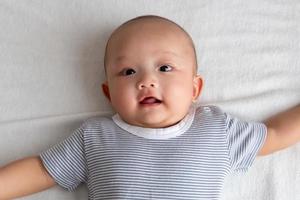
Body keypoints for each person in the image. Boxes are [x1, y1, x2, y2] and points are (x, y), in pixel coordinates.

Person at [0, 15, 299, 200]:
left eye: (165, 67)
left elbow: (274, 135)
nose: (146, 81)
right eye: (128, 72)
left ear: (195, 89)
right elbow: (41, 169)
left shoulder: (216, 130)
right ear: (108, 93)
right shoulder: (94, 137)